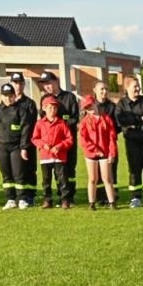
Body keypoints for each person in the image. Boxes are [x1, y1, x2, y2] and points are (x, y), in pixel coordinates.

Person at [115, 75, 143, 207]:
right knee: (134, 169)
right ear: (127, 88)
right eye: (135, 86)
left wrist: (134, 122)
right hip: (131, 141)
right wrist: (140, 119)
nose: (138, 88)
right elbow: (121, 121)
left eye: (138, 86)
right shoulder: (121, 104)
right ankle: (136, 198)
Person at [37, 71, 80, 205]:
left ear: (56, 81)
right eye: (44, 84)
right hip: (51, 143)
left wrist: (62, 125)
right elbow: (43, 119)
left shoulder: (69, 97)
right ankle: (60, 196)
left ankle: (69, 196)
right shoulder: (44, 99)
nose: (47, 86)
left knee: (69, 169)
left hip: (67, 140)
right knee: (55, 171)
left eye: (49, 83)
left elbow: (75, 117)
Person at [31, 93, 74, 209]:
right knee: (46, 180)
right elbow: (35, 138)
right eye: (50, 107)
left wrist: (59, 146)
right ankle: (47, 200)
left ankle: (65, 200)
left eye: (55, 107)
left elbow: (69, 139)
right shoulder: (39, 124)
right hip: (45, 157)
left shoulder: (62, 123)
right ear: (44, 108)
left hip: (60, 156)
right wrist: (43, 145)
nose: (53, 110)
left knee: (62, 179)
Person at [0, 82, 32, 210]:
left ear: (15, 96)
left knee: (18, 173)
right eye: (5, 96)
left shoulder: (21, 110)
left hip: (16, 147)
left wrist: (24, 148)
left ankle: (21, 199)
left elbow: (26, 130)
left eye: (10, 96)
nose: (8, 98)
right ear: (1, 96)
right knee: (6, 174)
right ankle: (10, 199)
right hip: (1, 146)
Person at [78, 92, 119, 210]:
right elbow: (83, 140)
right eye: (87, 108)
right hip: (91, 154)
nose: (90, 109)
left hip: (105, 152)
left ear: (95, 103)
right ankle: (92, 203)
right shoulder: (84, 122)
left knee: (107, 178)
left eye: (91, 106)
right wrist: (95, 150)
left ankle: (112, 202)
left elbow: (112, 137)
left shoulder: (106, 119)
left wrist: (112, 153)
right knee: (92, 179)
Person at [6, 73, 39, 207]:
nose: (17, 85)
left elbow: (29, 125)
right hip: (12, 143)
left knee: (29, 169)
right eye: (15, 82)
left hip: (28, 141)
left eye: (20, 83)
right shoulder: (8, 102)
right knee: (13, 171)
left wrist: (25, 143)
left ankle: (30, 195)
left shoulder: (29, 103)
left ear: (24, 84)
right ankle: (14, 196)